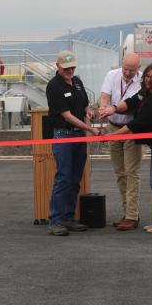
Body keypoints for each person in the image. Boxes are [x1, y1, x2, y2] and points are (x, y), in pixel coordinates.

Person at [99, 62, 152, 233]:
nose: (149, 80)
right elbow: (131, 101)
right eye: (147, 77)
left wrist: (111, 136)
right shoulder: (146, 92)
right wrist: (112, 109)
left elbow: (136, 125)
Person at [45, 50, 101, 236]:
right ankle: (56, 220)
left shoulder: (77, 82)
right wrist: (90, 129)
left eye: (72, 67)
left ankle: (68, 217)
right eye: (67, 68)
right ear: (58, 66)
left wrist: (88, 112)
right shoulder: (53, 86)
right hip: (64, 135)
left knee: (75, 178)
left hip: (78, 136)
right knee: (63, 178)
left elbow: (83, 104)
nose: (70, 70)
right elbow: (67, 116)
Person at [98, 53, 143, 231]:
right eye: (125, 68)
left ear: (138, 69)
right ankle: (128, 213)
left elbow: (132, 106)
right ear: (121, 65)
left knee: (131, 172)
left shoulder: (142, 83)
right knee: (120, 172)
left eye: (131, 70)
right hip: (113, 127)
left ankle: (132, 215)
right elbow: (104, 96)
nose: (127, 73)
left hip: (131, 130)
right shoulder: (112, 75)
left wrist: (113, 109)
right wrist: (102, 105)